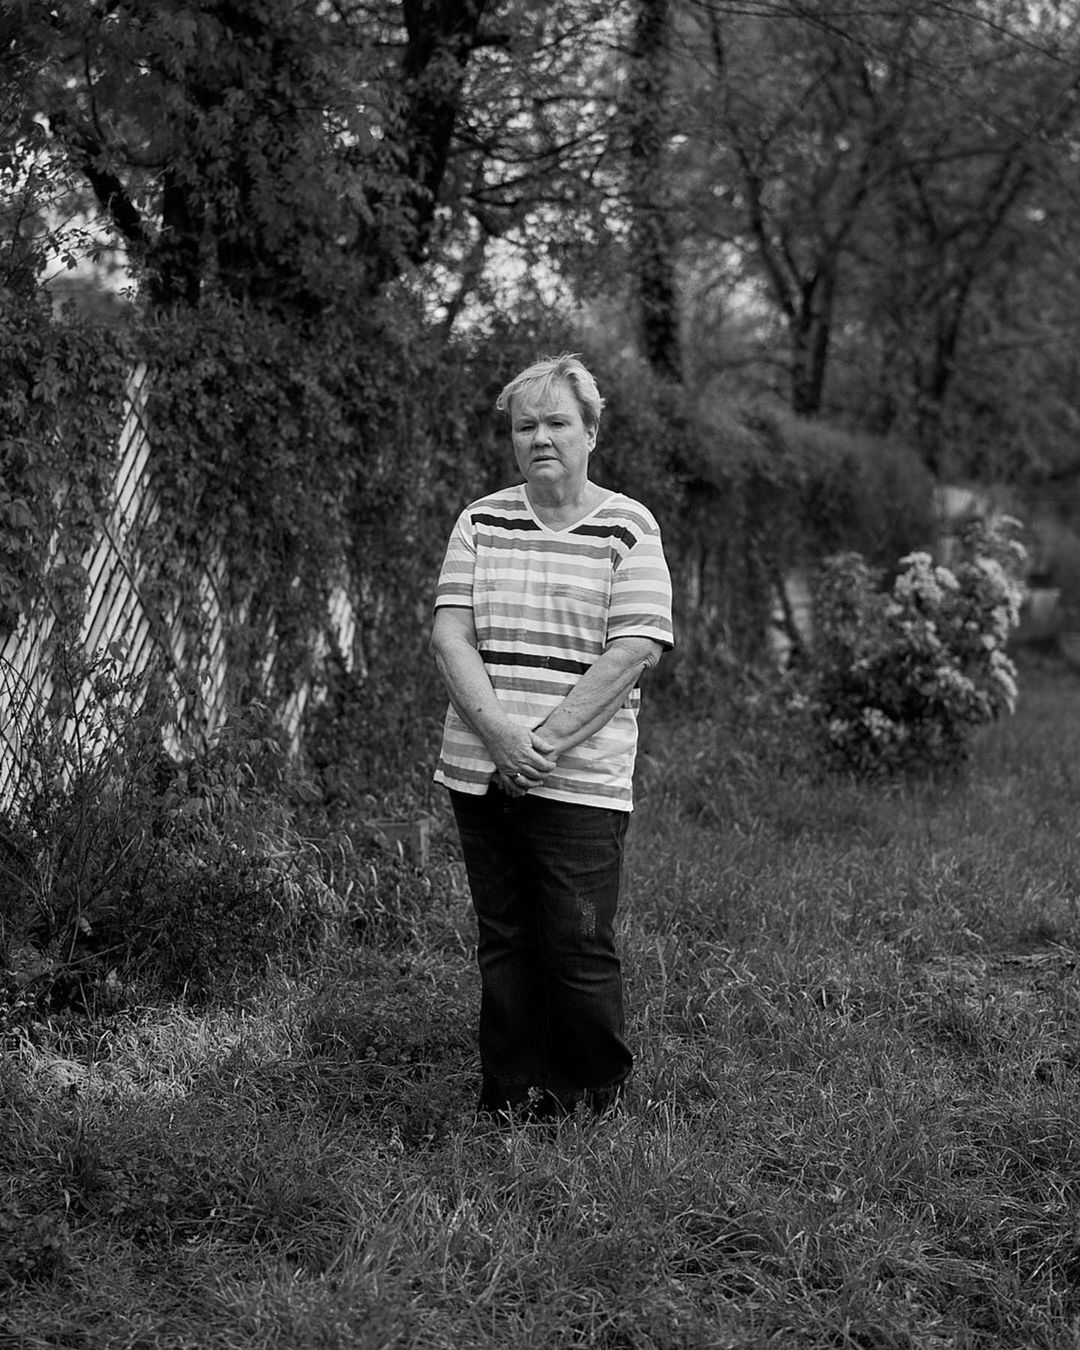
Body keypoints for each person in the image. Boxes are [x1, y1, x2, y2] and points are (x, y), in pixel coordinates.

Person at [429, 353, 674, 1122]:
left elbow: (634, 649)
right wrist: (501, 736)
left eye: (557, 422)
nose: (541, 437)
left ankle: (594, 1097)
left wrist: (542, 747)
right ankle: (509, 1095)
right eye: (524, 425)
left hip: (581, 779)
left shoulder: (627, 526)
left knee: (577, 942)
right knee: (504, 941)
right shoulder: (481, 520)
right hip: (480, 770)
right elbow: (449, 636)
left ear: (591, 432)